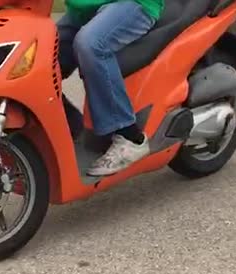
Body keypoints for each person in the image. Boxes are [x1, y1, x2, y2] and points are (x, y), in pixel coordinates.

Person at [58, 0, 163, 176]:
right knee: (34, 53)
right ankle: (70, 128)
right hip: (84, 8)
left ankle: (130, 137)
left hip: (133, 4)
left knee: (91, 45)